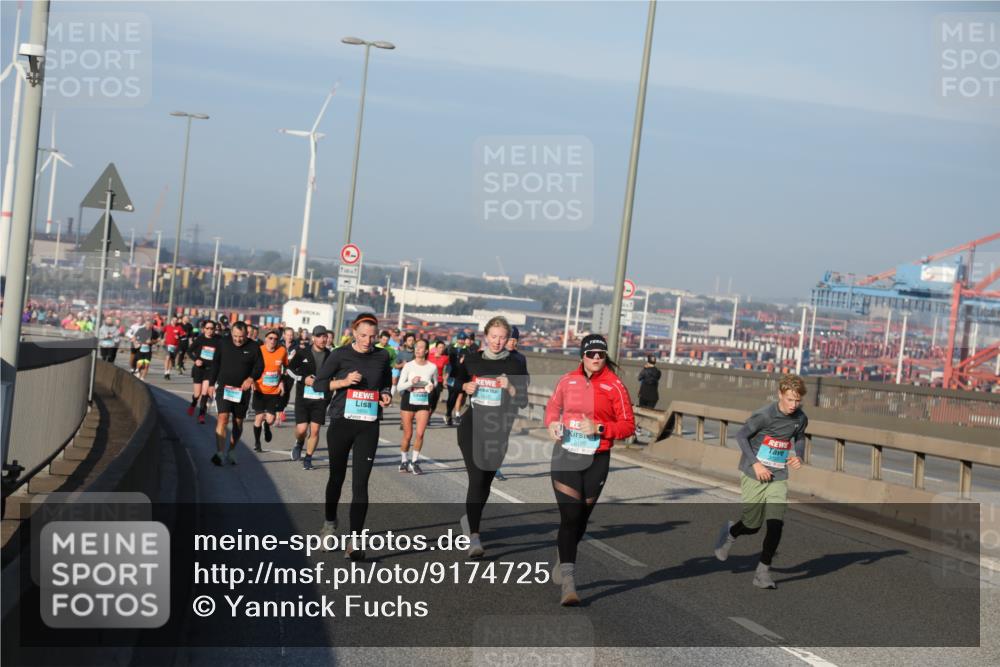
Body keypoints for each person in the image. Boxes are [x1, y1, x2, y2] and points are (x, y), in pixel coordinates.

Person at [544, 334, 635, 605]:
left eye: (601, 354)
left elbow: (628, 426)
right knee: (571, 515)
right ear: (582, 356)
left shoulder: (615, 385)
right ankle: (569, 584)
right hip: (566, 455)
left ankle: (564, 554)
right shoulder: (567, 380)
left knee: (581, 520)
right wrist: (551, 423)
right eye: (591, 353)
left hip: (597, 458)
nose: (596, 358)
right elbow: (553, 408)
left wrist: (600, 427)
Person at [714, 374, 809, 589]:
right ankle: (731, 533)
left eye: (797, 400)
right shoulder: (764, 415)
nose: (794, 405)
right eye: (790, 399)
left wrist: (799, 455)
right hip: (753, 474)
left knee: (776, 524)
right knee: (752, 525)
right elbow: (741, 436)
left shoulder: (800, 418)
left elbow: (800, 436)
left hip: (778, 476)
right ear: (780, 394)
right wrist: (756, 464)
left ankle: (762, 573)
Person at [313, 313, 392, 559]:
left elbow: (386, 381)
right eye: (363, 336)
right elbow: (318, 384)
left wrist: (386, 394)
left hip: (368, 425)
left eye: (372, 336)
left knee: (361, 484)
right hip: (342, 422)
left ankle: (355, 541)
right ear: (354, 333)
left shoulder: (382, 356)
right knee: (336, 478)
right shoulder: (340, 354)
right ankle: (329, 525)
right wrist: (343, 382)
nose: (368, 341)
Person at [451, 316, 529, 559]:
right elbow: (453, 381)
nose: (497, 342)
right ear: (486, 336)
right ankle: (474, 536)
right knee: (477, 479)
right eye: (493, 337)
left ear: (508, 339)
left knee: (485, 481)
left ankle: (470, 519)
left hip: (498, 430)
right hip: (472, 426)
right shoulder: (472, 359)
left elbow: (523, 400)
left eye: (502, 338)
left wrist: (510, 387)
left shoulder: (516, 363)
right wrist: (464, 387)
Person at [207, 321, 264, 466]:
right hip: (224, 387)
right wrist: (211, 384)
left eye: (241, 337)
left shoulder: (253, 346)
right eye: (235, 336)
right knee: (223, 418)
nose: (238, 340)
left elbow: (259, 366)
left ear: (247, 334)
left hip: (242, 390)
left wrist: (251, 378)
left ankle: (232, 450)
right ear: (231, 333)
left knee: (238, 422)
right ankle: (220, 453)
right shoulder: (223, 343)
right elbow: (215, 364)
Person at [287, 326, 333, 470]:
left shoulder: (331, 356)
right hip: (303, 397)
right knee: (301, 430)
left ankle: (308, 458)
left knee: (315, 430)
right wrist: (302, 378)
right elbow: (289, 370)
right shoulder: (303, 352)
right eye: (319, 336)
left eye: (325, 336)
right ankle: (299, 443)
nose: (322, 339)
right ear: (313, 338)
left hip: (320, 398)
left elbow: (336, 375)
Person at [397, 338, 437, 475]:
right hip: (408, 400)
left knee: (420, 434)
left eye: (421, 347)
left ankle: (414, 462)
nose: (418, 349)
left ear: (426, 351)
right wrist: (411, 382)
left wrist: (431, 386)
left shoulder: (432, 367)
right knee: (408, 434)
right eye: (416, 347)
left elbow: (435, 382)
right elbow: (399, 387)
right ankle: (404, 461)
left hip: (423, 401)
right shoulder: (408, 366)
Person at [251, 329, 289, 452]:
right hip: (259, 389)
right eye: (270, 338)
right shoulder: (259, 350)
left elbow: (286, 368)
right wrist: (251, 380)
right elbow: (251, 366)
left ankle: (267, 426)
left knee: (270, 419)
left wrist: (282, 382)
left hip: (274, 391)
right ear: (266, 339)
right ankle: (257, 442)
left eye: (275, 339)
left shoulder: (282, 351)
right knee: (259, 417)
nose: (273, 341)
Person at [187, 320, 219, 424]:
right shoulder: (200, 339)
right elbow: (189, 351)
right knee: (197, 394)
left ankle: (201, 415)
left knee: (205, 393)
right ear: (203, 329)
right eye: (207, 328)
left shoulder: (218, 340)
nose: (209, 330)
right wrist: (196, 360)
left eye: (212, 328)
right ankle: (193, 404)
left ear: (214, 329)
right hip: (199, 370)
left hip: (210, 370)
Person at [445, 331, 472, 426]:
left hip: (462, 378)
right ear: (457, 339)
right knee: (451, 397)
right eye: (459, 339)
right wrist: (445, 376)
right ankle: (448, 413)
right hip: (451, 377)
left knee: (458, 396)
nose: (461, 341)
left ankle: (454, 415)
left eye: (463, 339)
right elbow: (446, 361)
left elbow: (471, 364)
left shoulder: (468, 350)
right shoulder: (451, 348)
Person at [276, 326, 298, 426]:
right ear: (284, 335)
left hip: (290, 373)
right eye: (288, 335)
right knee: (278, 392)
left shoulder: (296, 346)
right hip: (278, 372)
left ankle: (282, 410)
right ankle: (277, 414)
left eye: (291, 335)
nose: (289, 337)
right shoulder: (278, 344)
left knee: (286, 392)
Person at [427, 339, 450, 424]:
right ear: (436, 348)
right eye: (440, 347)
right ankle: (425, 417)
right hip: (429, 380)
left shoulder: (445, 358)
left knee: (434, 402)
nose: (441, 349)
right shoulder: (429, 356)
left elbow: (447, 370)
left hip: (439, 381)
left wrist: (445, 379)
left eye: (443, 348)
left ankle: (428, 416)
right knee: (429, 399)